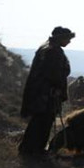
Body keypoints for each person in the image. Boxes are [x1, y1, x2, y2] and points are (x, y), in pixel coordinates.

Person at [19, 26, 74, 156]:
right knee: (44, 121)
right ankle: (35, 149)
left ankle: (29, 148)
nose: (69, 42)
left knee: (39, 120)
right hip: (47, 92)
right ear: (61, 38)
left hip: (41, 91)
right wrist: (56, 89)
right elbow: (53, 74)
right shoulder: (54, 51)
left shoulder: (47, 47)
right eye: (67, 38)